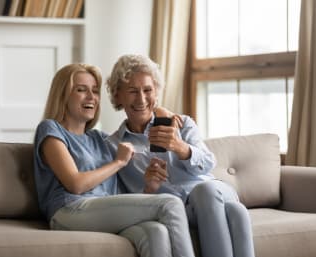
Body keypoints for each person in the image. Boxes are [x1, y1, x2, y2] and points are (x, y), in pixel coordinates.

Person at [33, 63, 196, 257]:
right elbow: (75, 184)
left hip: (103, 213)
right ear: (63, 95)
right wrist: (118, 162)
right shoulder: (50, 129)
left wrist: (150, 188)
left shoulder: (100, 139)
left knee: (156, 232)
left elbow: (118, 195)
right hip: (68, 210)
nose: (91, 97)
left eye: (95, 91)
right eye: (81, 90)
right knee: (170, 204)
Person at [105, 54, 256, 257]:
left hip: (214, 193)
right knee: (237, 213)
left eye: (148, 90)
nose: (141, 99)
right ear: (117, 95)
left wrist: (180, 147)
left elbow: (209, 163)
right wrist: (149, 188)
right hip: (179, 211)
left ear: (156, 92)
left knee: (205, 191)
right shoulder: (114, 147)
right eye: (132, 91)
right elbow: (123, 202)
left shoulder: (181, 123)